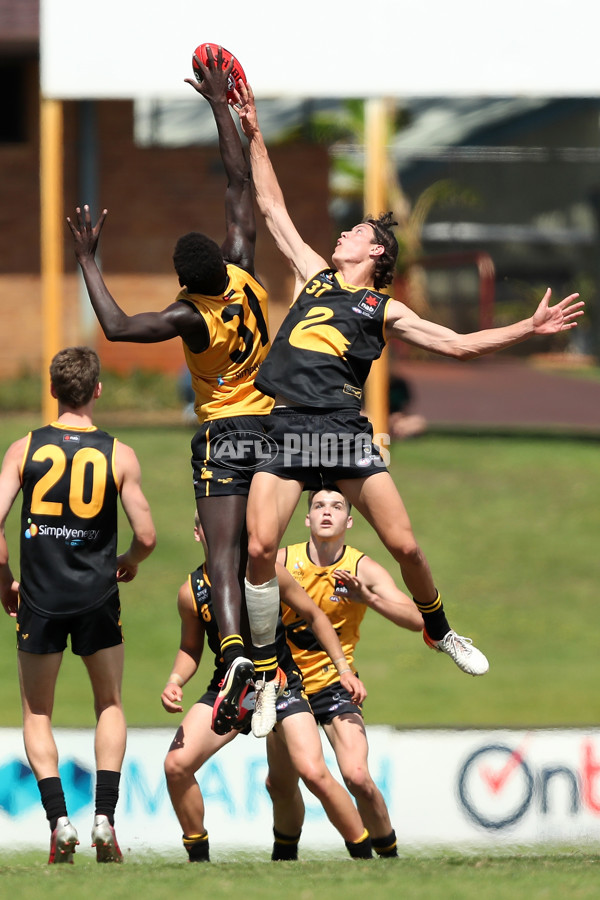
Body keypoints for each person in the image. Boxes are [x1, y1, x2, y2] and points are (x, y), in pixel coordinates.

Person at [231, 83, 584, 703]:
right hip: (286, 427)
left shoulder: (381, 307)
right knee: (259, 547)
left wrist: (528, 327)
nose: (342, 236)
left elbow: (458, 344)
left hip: (340, 432)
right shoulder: (314, 275)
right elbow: (270, 206)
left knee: (406, 545)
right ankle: (263, 671)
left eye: (356, 233)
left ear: (377, 252)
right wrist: (253, 133)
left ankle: (441, 631)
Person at [67, 48, 276, 738]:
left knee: (218, 553)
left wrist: (90, 262)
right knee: (259, 551)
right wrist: (221, 107)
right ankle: (265, 659)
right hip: (272, 431)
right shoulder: (243, 269)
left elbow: (121, 326)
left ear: (186, 280)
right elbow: (238, 187)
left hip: (224, 436)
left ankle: (237, 654)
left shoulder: (190, 315)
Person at [0, 346, 156, 864]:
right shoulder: (120, 454)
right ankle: (105, 820)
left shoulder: (23, 450)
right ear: (97, 390)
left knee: (37, 712)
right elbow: (148, 536)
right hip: (97, 597)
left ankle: (59, 823)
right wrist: (129, 560)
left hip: (40, 600)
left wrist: (6, 580)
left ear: (51, 391)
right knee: (109, 703)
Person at [161, 514, 372, 862]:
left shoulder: (266, 573)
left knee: (313, 773)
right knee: (176, 766)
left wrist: (344, 669)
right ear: (199, 532)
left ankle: (364, 859)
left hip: (281, 683)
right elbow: (190, 649)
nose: (220, 533)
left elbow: (316, 616)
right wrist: (174, 680)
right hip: (231, 688)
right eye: (210, 527)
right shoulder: (192, 591)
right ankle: (198, 861)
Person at [272, 486, 423, 859]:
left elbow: (417, 618)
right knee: (281, 784)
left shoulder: (361, 568)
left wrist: (368, 598)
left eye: (336, 506)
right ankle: (284, 857)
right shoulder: (279, 561)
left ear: (349, 521)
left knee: (357, 777)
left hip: (336, 684)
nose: (327, 512)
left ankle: (388, 858)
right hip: (285, 687)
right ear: (306, 518)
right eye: (319, 506)